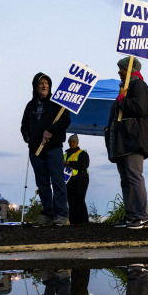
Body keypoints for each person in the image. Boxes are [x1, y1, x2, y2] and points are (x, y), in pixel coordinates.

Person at [105, 57, 148, 229]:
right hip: (122, 142)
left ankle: (143, 216)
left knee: (134, 177)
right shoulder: (125, 89)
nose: (119, 72)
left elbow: (139, 109)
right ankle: (131, 216)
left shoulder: (139, 86)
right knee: (126, 180)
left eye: (122, 69)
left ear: (130, 70)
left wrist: (122, 100)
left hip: (133, 140)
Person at [21, 72, 71, 227]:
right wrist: (28, 138)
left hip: (53, 148)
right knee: (42, 184)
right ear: (35, 86)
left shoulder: (57, 104)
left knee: (58, 181)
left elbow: (65, 120)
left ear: (49, 86)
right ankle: (49, 214)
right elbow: (24, 126)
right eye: (40, 83)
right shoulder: (30, 106)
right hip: (36, 151)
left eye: (46, 83)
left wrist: (52, 130)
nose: (43, 86)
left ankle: (62, 215)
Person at [64, 134, 90, 224]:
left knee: (79, 198)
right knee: (70, 199)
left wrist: (69, 163)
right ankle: (73, 220)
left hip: (81, 179)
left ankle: (83, 220)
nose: (71, 143)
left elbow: (84, 165)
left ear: (77, 143)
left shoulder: (82, 153)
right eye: (70, 142)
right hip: (69, 180)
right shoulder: (65, 154)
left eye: (73, 142)